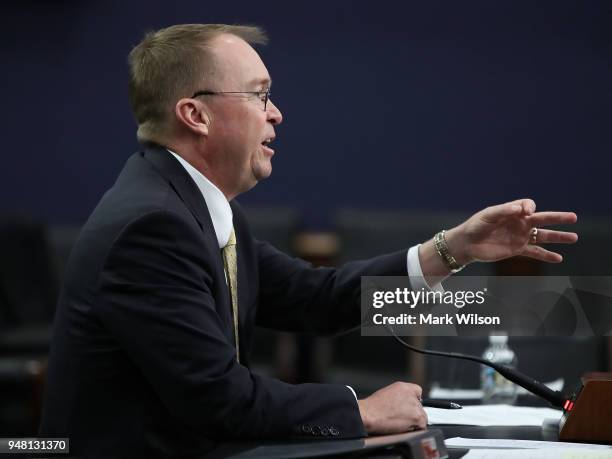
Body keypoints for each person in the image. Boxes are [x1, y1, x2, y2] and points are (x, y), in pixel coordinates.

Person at [39, 24, 578, 458]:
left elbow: (316, 299)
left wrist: (454, 248)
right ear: (195, 114)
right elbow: (217, 400)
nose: (276, 113)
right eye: (259, 96)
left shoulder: (191, 205)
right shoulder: (152, 226)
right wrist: (359, 409)